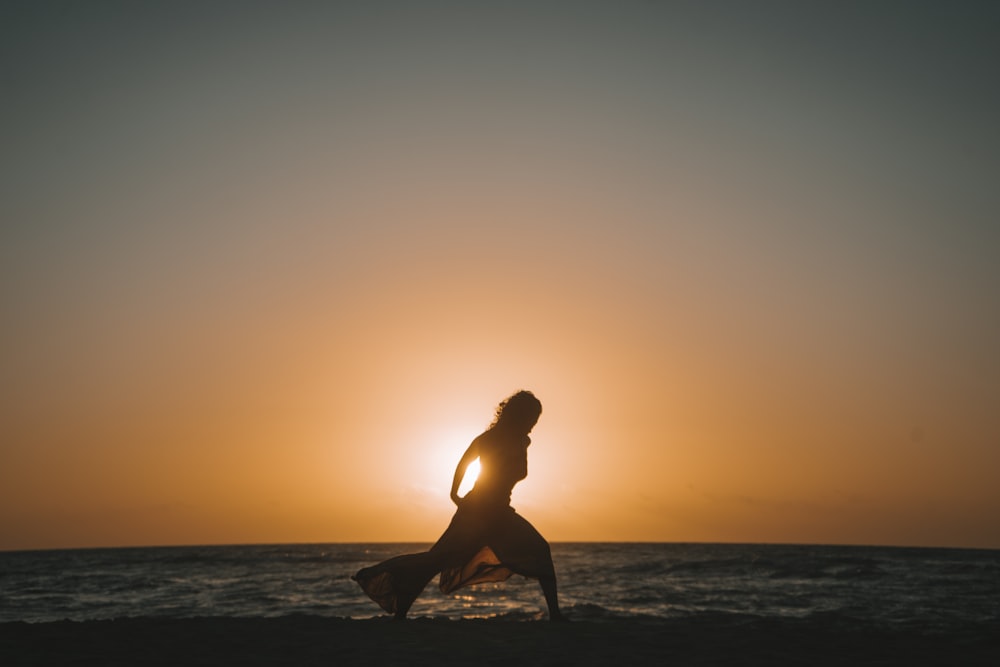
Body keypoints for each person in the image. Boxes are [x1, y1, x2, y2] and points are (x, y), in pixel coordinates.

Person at [352, 390, 565, 621]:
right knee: (437, 560)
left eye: (536, 420)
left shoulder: (522, 440)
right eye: (531, 419)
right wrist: (455, 493)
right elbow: (465, 461)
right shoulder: (490, 439)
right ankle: (386, 590)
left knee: (540, 550)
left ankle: (555, 616)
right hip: (476, 514)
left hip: (500, 514)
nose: (533, 424)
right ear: (519, 416)